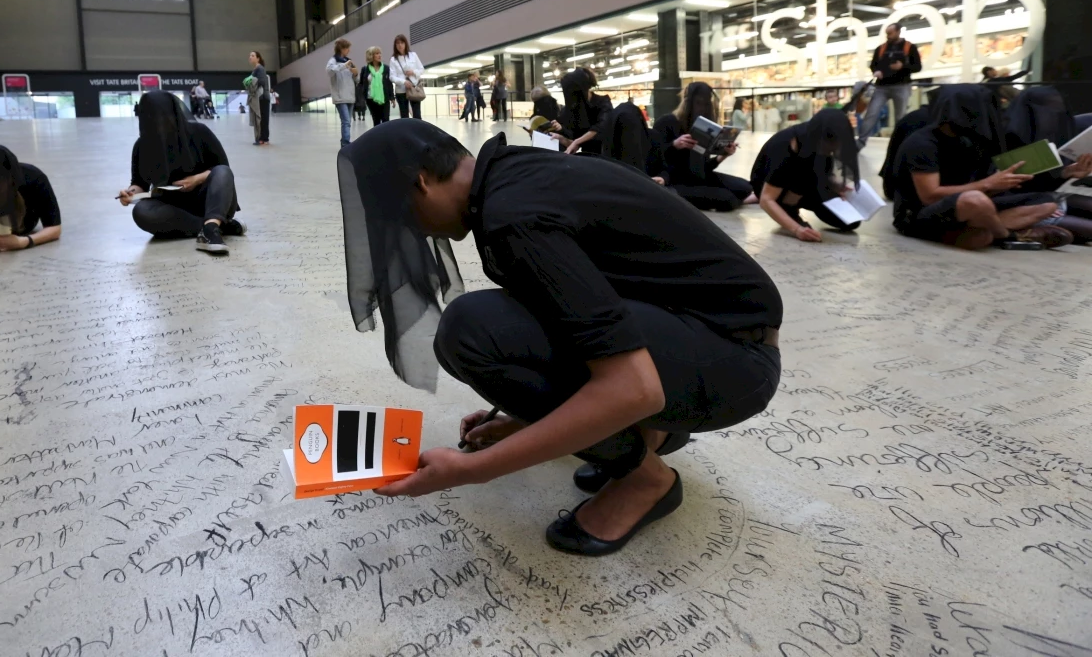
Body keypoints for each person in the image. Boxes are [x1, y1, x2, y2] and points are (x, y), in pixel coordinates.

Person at [337, 121, 782, 556]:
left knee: (471, 331)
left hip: (734, 363)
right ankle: (651, 434)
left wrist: (473, 470)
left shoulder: (513, 216)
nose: (416, 232)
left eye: (401, 216)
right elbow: (582, 307)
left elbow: (634, 387)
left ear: (422, 183)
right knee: (491, 325)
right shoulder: (519, 174)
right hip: (708, 334)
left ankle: (646, 480)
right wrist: (521, 420)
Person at [891, 85, 1068, 250]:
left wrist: (1001, 183)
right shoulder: (923, 143)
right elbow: (929, 196)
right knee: (975, 201)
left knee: (1047, 204)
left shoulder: (971, 140)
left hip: (963, 207)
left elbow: (980, 182)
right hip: (917, 214)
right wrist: (988, 184)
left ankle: (984, 231)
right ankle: (1008, 236)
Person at [117, 90, 243, 253]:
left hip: (208, 200)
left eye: (163, 116)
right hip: (173, 208)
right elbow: (140, 183)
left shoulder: (199, 132)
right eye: (152, 118)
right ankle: (215, 226)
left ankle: (210, 227)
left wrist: (196, 179)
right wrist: (130, 194)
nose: (159, 122)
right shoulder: (142, 146)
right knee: (141, 212)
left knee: (223, 172)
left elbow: (222, 169)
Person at [750, 109, 861, 242]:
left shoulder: (819, 142)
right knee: (802, 220)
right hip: (772, 187)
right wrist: (796, 229)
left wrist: (836, 186)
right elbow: (766, 199)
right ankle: (787, 209)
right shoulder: (786, 147)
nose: (834, 148)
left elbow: (821, 172)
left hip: (807, 184)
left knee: (851, 221)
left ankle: (792, 205)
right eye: (832, 144)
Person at [1004, 86, 1092, 242]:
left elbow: (1044, 182)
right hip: (1019, 206)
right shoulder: (1005, 137)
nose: (1051, 115)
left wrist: (1067, 173)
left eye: (1057, 109)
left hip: (1050, 199)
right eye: (1044, 109)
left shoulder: (1057, 135)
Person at [652, 82, 754, 211]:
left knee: (745, 187)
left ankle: (731, 197)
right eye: (698, 103)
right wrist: (674, 145)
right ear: (688, 102)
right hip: (674, 181)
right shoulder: (666, 122)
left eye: (706, 104)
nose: (702, 108)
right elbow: (654, 159)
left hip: (699, 177)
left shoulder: (705, 126)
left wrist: (723, 155)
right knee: (728, 200)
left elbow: (704, 167)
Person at [856, 24, 921, 149]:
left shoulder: (909, 47)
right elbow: (873, 65)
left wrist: (902, 67)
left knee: (900, 116)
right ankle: (860, 142)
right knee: (871, 113)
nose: (888, 36)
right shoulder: (881, 49)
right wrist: (876, 71)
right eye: (887, 33)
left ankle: (899, 145)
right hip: (881, 87)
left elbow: (917, 67)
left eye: (890, 33)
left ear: (898, 32)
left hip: (901, 86)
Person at [554, 68, 613, 155]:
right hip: (589, 157)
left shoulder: (603, 103)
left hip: (607, 155)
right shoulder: (574, 109)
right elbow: (574, 144)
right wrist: (560, 138)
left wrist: (577, 141)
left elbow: (601, 127)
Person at [327, 38, 359, 148]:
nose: (349, 50)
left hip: (350, 96)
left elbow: (357, 80)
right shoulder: (333, 61)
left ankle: (345, 141)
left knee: (348, 122)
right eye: (347, 48)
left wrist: (355, 74)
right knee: (346, 121)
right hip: (340, 97)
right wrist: (344, 65)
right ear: (341, 48)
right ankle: (345, 143)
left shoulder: (349, 61)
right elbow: (330, 71)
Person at [389, 35, 425, 119]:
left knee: (417, 115)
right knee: (404, 116)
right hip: (401, 91)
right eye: (397, 43)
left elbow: (421, 69)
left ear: (405, 44)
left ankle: (417, 131)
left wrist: (413, 72)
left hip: (414, 89)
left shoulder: (413, 55)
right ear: (395, 45)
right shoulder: (393, 59)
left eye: (402, 42)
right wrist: (403, 82)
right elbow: (392, 77)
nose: (400, 45)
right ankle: (406, 132)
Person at [359, 46, 393, 127]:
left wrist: (392, 97)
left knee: (386, 120)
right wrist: (362, 97)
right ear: (371, 56)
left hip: (384, 98)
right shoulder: (365, 69)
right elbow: (361, 84)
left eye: (380, 53)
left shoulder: (386, 68)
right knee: (376, 121)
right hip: (371, 99)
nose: (379, 55)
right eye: (377, 53)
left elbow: (389, 83)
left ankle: (385, 139)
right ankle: (378, 139)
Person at [250, 52, 271, 145]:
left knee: (263, 118)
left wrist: (250, 83)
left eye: (252, 55)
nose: (250, 57)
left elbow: (261, 81)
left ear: (258, 58)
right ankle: (262, 137)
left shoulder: (260, 68)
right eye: (249, 56)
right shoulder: (255, 69)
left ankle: (264, 138)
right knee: (260, 118)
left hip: (263, 97)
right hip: (259, 97)